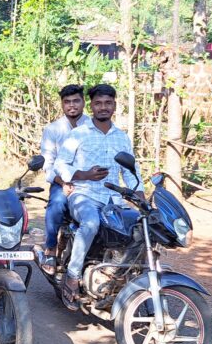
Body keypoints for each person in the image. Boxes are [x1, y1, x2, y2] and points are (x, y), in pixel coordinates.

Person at [54, 84, 144, 311]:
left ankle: (122, 276)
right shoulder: (78, 135)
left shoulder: (122, 138)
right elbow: (60, 164)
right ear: (91, 106)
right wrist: (83, 175)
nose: (103, 107)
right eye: (98, 103)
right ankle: (72, 276)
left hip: (114, 201)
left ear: (114, 105)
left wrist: (142, 199)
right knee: (91, 222)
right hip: (84, 195)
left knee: (141, 230)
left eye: (108, 103)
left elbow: (133, 172)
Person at [38, 84, 91, 275]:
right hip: (62, 181)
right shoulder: (53, 130)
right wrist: (64, 183)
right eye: (67, 102)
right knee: (57, 203)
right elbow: (48, 163)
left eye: (76, 100)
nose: (72, 105)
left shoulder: (92, 126)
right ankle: (51, 248)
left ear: (84, 102)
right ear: (61, 104)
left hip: (89, 181)